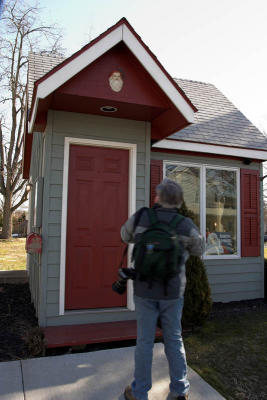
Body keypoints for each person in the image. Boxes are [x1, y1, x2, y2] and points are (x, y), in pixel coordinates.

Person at [121, 178, 204, 400]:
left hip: (144, 290)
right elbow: (200, 248)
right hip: (172, 292)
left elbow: (123, 235)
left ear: (157, 197)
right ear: (179, 201)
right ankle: (179, 391)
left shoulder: (142, 217)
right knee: (174, 339)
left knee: (144, 342)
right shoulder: (185, 224)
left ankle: (139, 393)